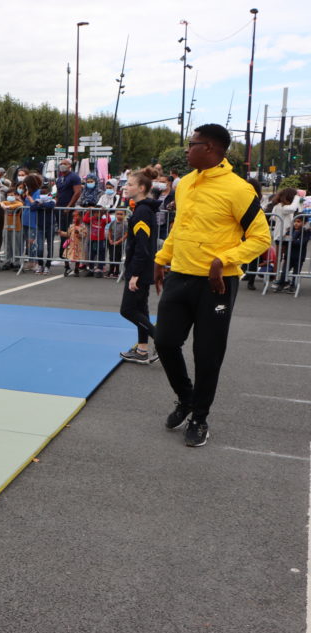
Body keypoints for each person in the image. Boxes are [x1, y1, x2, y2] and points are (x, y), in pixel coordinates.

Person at [153, 123, 271, 448]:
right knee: (164, 341)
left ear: (210, 149)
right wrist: (162, 258)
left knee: (207, 355)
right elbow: (180, 228)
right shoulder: (185, 183)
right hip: (180, 275)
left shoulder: (238, 189)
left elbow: (262, 237)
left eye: (191, 144)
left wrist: (226, 259)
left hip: (216, 283)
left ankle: (199, 418)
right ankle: (186, 398)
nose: (186, 149)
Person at [118, 168, 160, 364]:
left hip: (139, 269)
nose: (126, 187)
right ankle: (142, 350)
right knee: (141, 310)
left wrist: (134, 274)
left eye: (131, 184)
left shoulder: (142, 211)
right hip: (142, 268)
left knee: (127, 310)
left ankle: (161, 340)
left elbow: (143, 247)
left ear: (142, 188)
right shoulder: (143, 208)